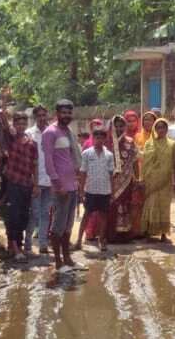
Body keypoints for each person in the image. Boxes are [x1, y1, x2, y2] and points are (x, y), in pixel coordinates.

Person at [42, 99, 82, 273]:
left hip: (72, 185)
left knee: (68, 226)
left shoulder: (68, 132)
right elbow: (48, 161)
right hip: (61, 188)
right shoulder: (50, 132)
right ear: (57, 113)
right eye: (63, 112)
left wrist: (76, 183)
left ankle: (68, 259)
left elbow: (72, 158)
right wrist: (58, 185)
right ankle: (58, 263)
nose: (67, 115)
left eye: (69, 112)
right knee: (57, 226)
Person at [4, 111, 38, 262]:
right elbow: (4, 124)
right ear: (14, 124)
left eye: (23, 123)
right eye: (18, 123)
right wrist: (4, 107)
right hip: (13, 183)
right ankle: (15, 248)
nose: (21, 126)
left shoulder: (32, 143)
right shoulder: (11, 138)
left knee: (24, 217)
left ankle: (18, 245)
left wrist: (36, 184)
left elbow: (34, 166)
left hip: (26, 184)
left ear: (27, 124)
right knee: (14, 216)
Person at [139, 118, 175, 241]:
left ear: (167, 129)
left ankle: (163, 233)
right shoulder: (149, 143)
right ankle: (148, 232)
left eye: (163, 127)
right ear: (155, 129)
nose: (161, 130)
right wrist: (143, 179)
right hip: (151, 181)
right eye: (158, 127)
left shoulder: (173, 145)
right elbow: (145, 163)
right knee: (150, 205)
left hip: (165, 181)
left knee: (164, 207)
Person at [79, 125, 115, 254]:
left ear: (105, 139)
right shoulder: (86, 153)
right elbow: (83, 173)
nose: (99, 140)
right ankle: (78, 240)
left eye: (101, 137)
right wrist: (81, 191)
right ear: (93, 138)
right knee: (86, 215)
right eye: (96, 137)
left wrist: (112, 192)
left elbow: (111, 174)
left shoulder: (109, 155)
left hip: (105, 191)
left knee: (103, 216)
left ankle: (101, 240)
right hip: (91, 190)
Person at [107, 115, 141, 243]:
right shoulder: (107, 142)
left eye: (121, 126)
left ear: (125, 127)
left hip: (127, 180)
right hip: (110, 181)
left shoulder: (130, 142)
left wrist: (137, 178)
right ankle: (111, 235)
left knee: (125, 205)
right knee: (112, 206)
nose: (119, 128)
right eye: (116, 126)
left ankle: (125, 234)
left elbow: (135, 161)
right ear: (112, 127)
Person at [25, 105, 54, 256]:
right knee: (34, 214)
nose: (42, 118)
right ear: (35, 117)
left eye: (44, 115)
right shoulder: (29, 134)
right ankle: (27, 244)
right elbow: (27, 160)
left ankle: (43, 244)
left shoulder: (53, 132)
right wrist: (33, 182)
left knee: (45, 213)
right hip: (35, 181)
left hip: (50, 181)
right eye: (39, 116)